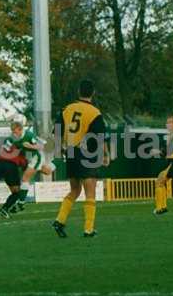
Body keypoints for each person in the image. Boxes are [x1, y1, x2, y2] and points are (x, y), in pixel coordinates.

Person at [52, 79, 109, 238]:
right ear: (93, 93)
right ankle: (88, 229)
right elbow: (100, 137)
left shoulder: (67, 109)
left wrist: (60, 149)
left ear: (79, 92)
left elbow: (56, 131)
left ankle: (60, 220)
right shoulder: (94, 113)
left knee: (75, 190)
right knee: (90, 193)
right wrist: (106, 154)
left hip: (70, 153)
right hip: (86, 154)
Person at [153, 116, 173, 215]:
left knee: (159, 182)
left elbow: (171, 149)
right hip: (172, 162)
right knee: (160, 182)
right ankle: (163, 207)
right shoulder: (172, 135)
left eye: (169, 122)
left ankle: (159, 208)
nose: (167, 124)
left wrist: (159, 151)